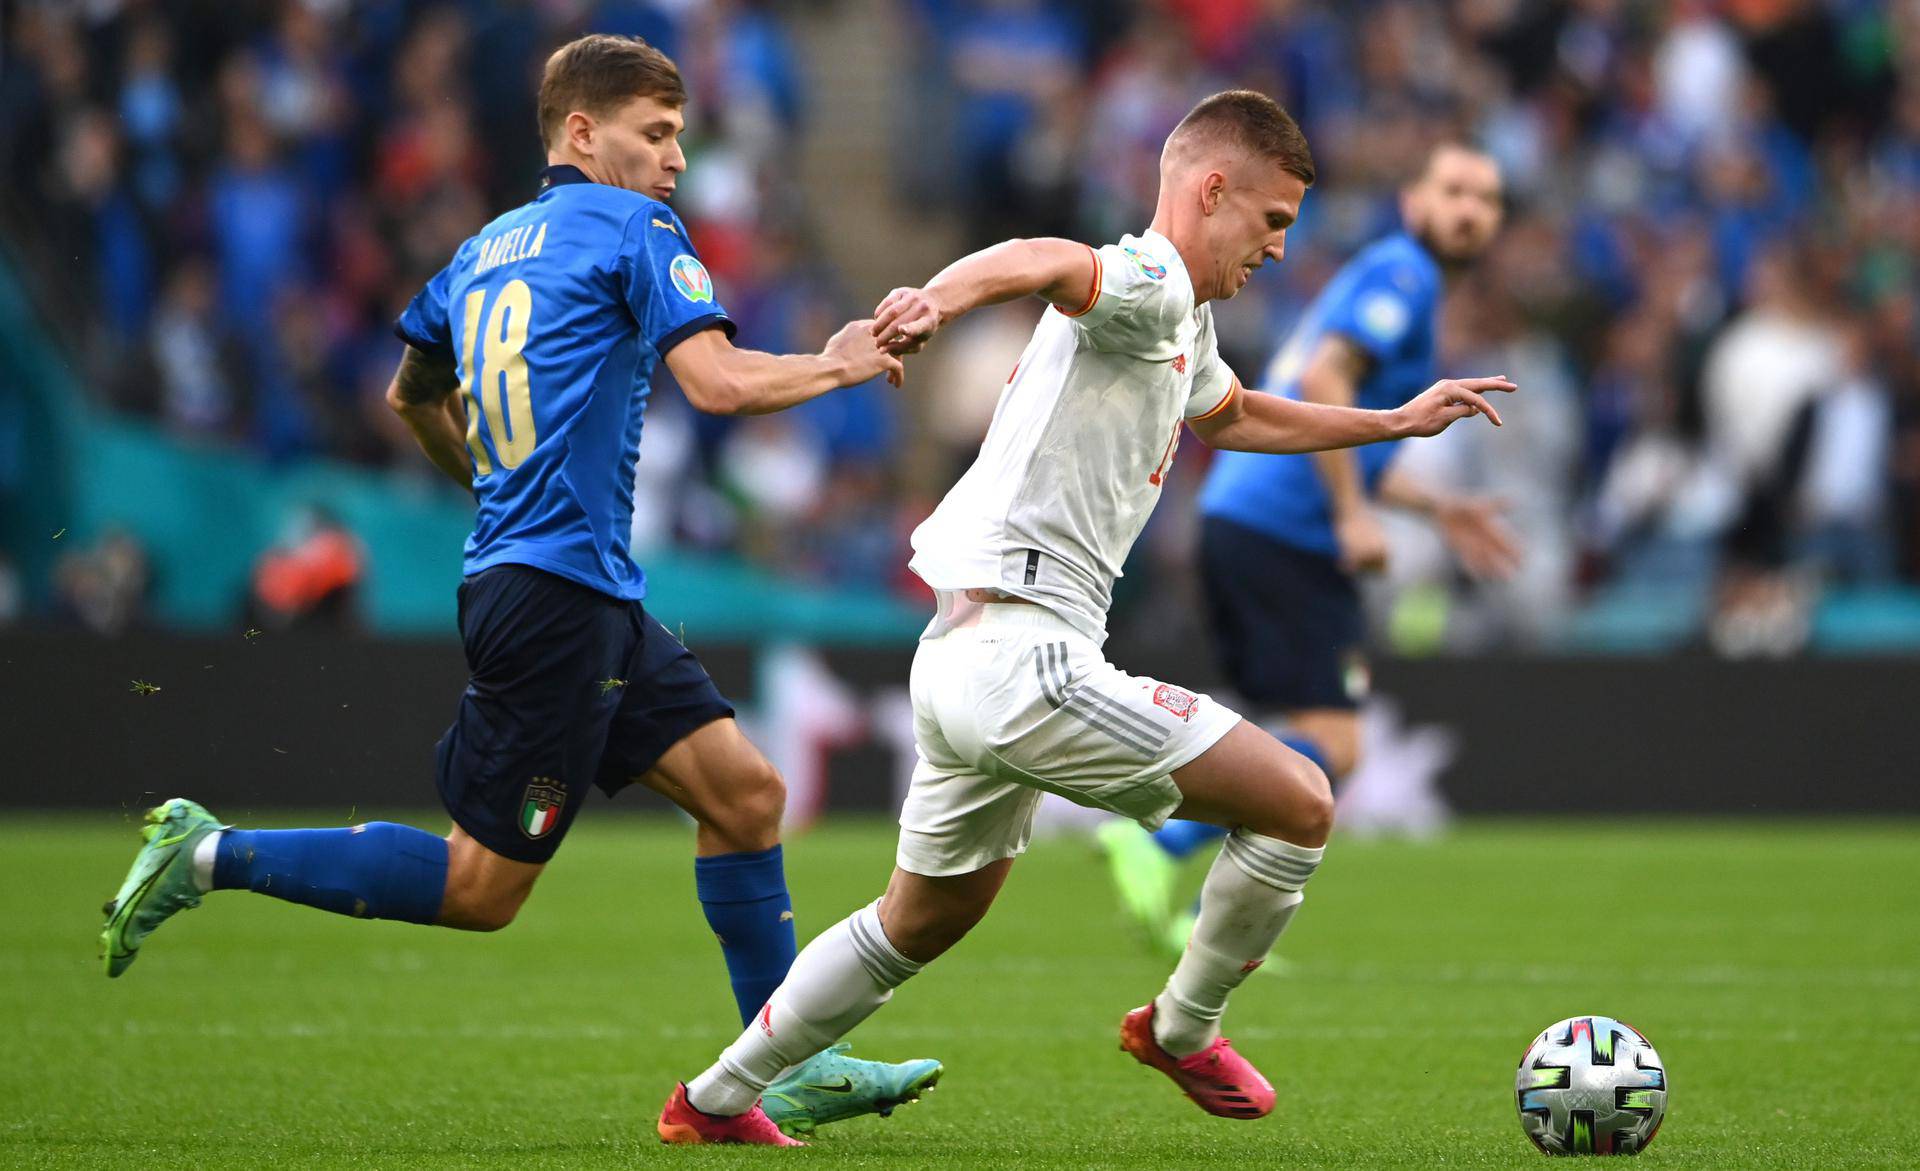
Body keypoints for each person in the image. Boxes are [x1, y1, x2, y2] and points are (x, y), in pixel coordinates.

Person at [98, 34, 938, 1139]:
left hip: (565, 586)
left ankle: (781, 1066)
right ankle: (206, 852)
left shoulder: (482, 250)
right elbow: (721, 383)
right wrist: (840, 360)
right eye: (656, 134)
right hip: (554, 602)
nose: (676, 160)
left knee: (744, 796)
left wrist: (495, 481)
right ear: (582, 134)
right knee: (480, 888)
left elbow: (409, 395)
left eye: (680, 137)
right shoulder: (636, 227)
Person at [655, 91, 1516, 1145]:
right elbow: (1042, 258)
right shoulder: (1150, 281)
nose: (1280, 250)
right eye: (1274, 221)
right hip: (1025, 656)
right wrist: (935, 296)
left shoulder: (1183, 324)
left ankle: (712, 1100)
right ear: (1212, 191)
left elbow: (1235, 413)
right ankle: (1183, 1026)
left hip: (964, 656)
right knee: (1299, 799)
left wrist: (1390, 418)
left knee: (922, 917)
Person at [1099, 143, 1517, 951]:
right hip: (1284, 532)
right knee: (1334, 745)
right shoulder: (1405, 274)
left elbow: (1339, 425)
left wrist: (1434, 507)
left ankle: (1198, 920)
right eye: (1454, 189)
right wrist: (1356, 515)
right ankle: (1158, 845)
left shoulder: (1389, 278)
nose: (1471, 210)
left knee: (1311, 742)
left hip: (1249, 517)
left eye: (1487, 199)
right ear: (1413, 200)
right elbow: (1325, 379)